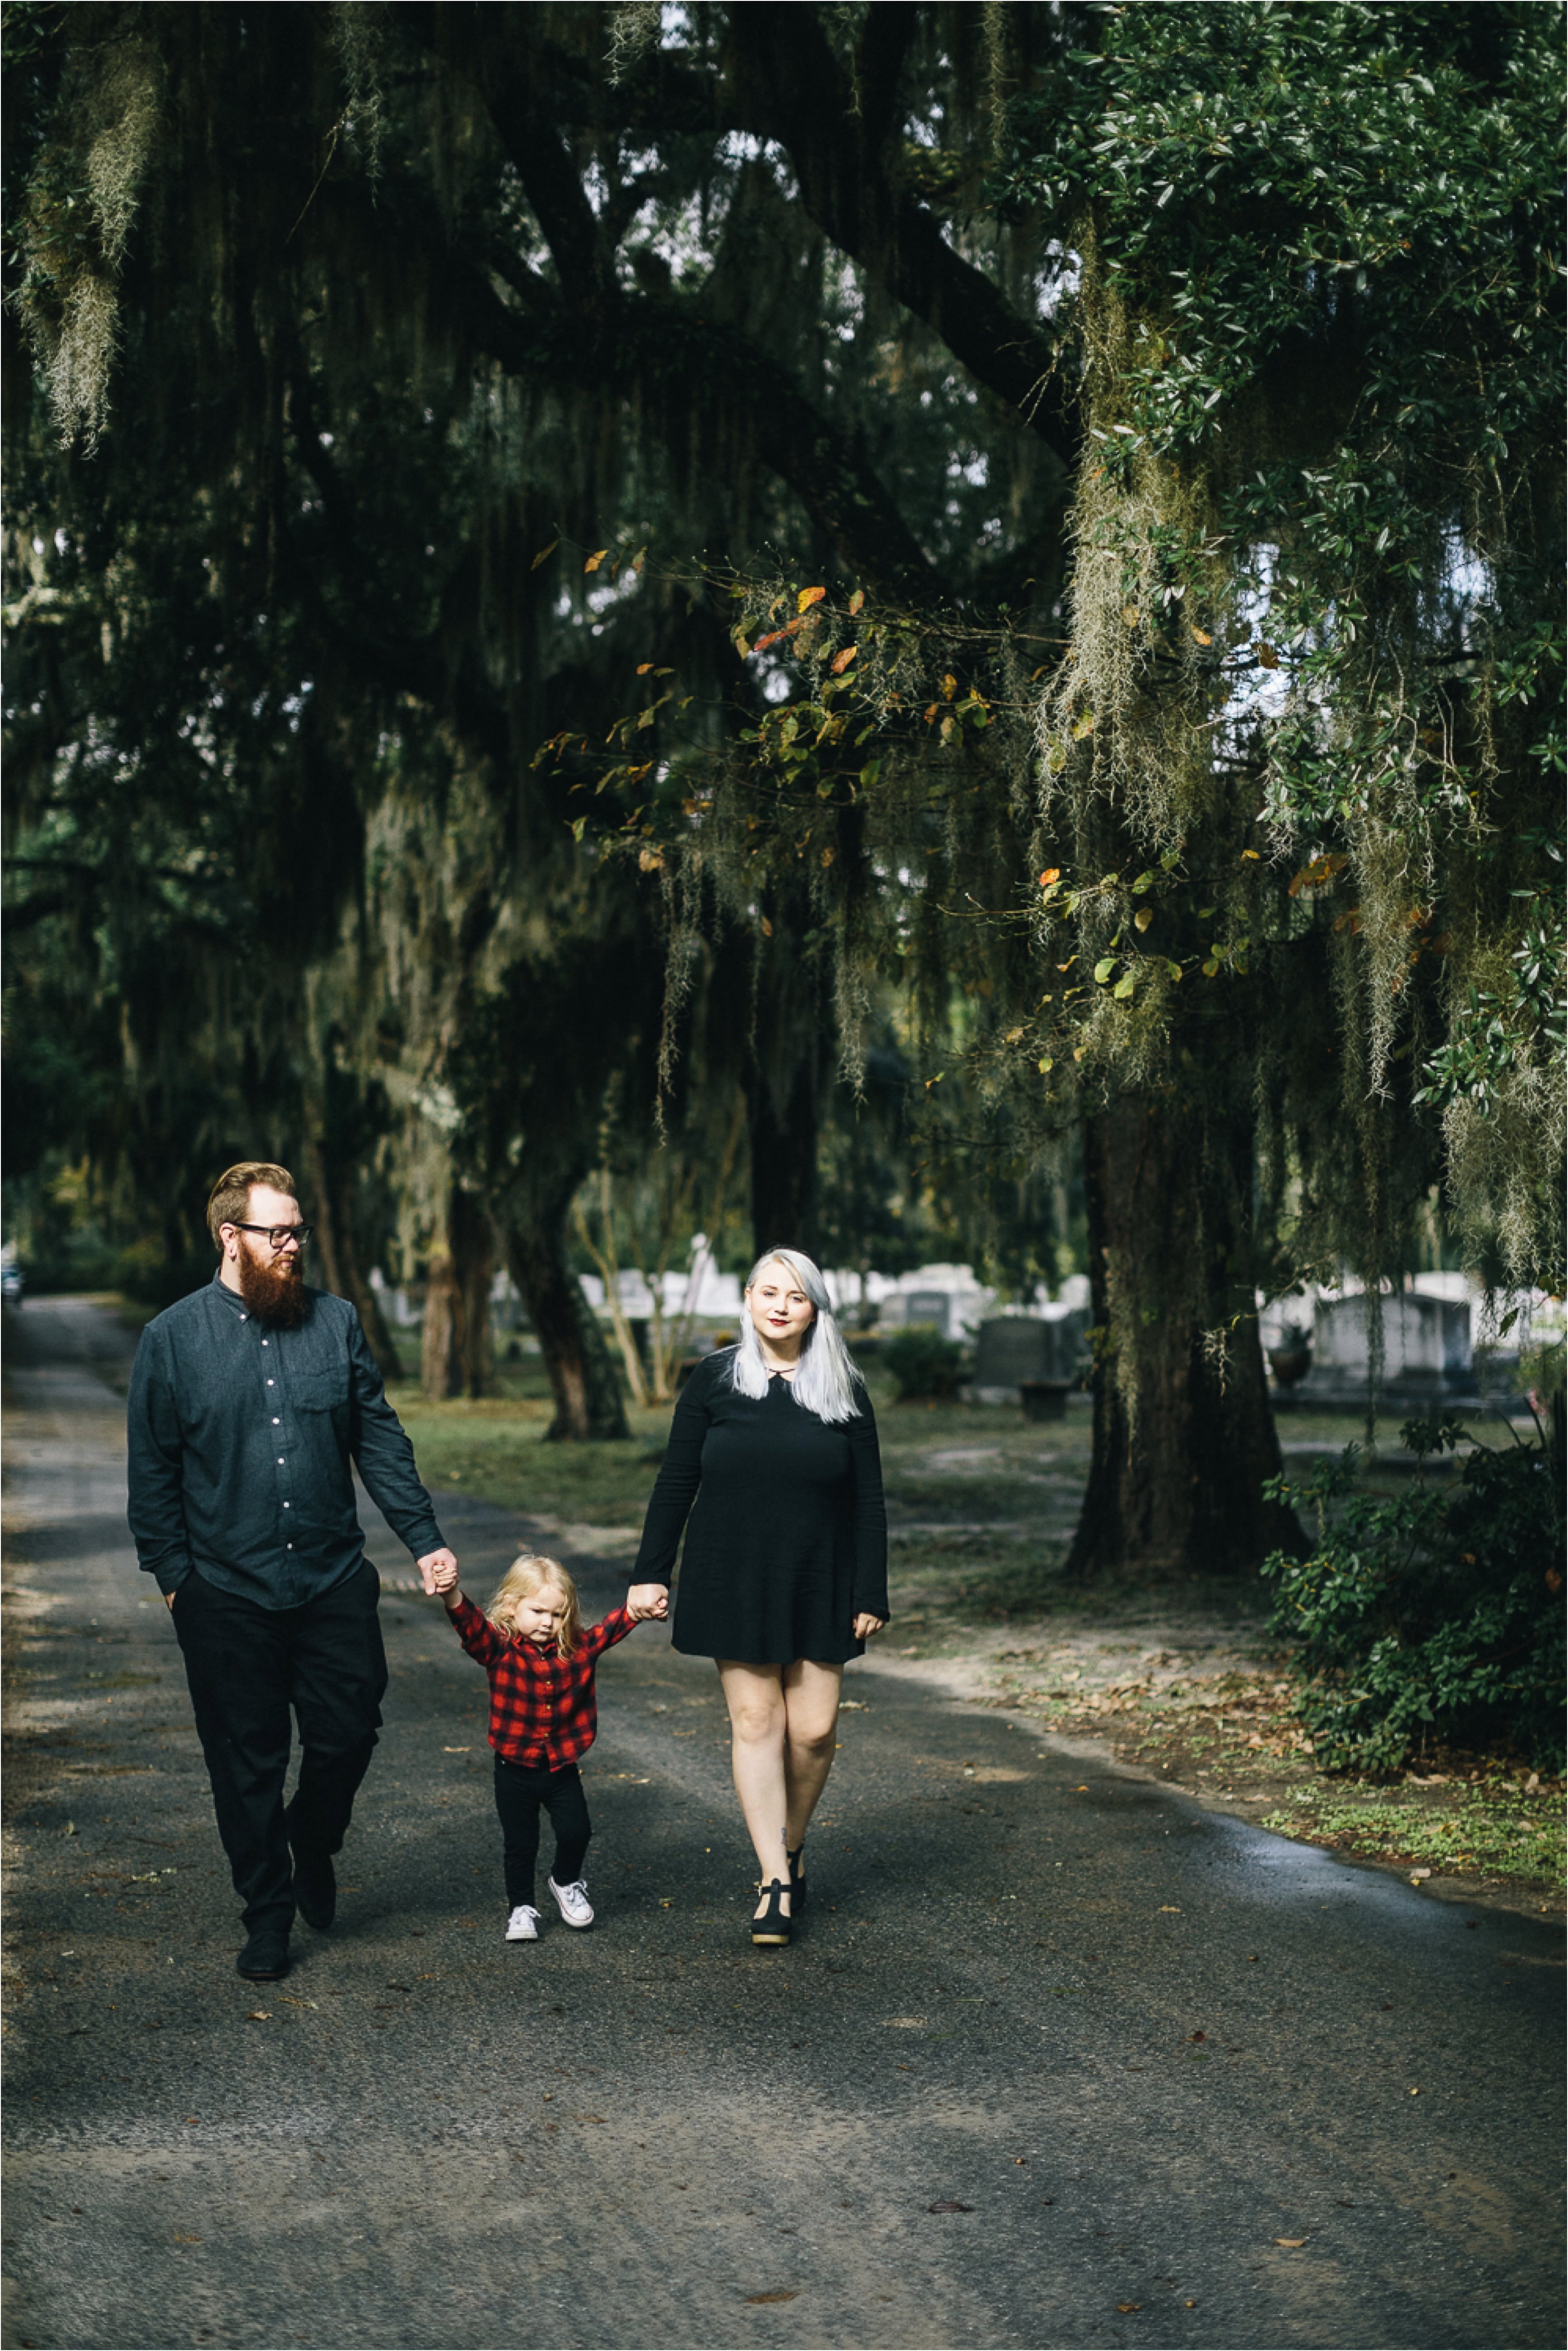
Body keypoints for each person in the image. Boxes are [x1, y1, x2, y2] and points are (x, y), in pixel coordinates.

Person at [126, 1161, 456, 1982]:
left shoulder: (336, 1322)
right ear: (230, 1237)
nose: (294, 1245)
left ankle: (313, 1836)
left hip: (330, 1579)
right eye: (279, 1232)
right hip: (224, 1591)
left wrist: (423, 1537)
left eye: (300, 1230)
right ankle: (268, 1914)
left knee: (350, 1728)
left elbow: (377, 1437)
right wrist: (179, 1582)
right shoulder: (172, 1338)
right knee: (247, 1761)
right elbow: (153, 1473)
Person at [628, 1248, 889, 1947]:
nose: (780, 1305)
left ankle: (790, 1843)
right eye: (768, 1292)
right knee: (755, 1722)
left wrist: (872, 1588)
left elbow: (868, 1497)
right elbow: (677, 1478)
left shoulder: (843, 1386)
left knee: (812, 1732)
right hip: (730, 1570)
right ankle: (775, 1879)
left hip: (820, 1574)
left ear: (814, 1308)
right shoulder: (715, 1379)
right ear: (747, 1297)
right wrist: (650, 1571)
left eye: (795, 1296)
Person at [427, 1551, 656, 1941]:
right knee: (521, 1844)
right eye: (538, 1612)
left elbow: (609, 1630)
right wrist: (451, 1594)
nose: (548, 1623)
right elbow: (471, 1627)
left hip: (561, 1768)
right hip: (513, 1770)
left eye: (558, 1614)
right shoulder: (499, 1649)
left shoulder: (577, 1650)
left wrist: (638, 1610)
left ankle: (566, 1881)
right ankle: (521, 1909)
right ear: (513, 1607)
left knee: (577, 1831)